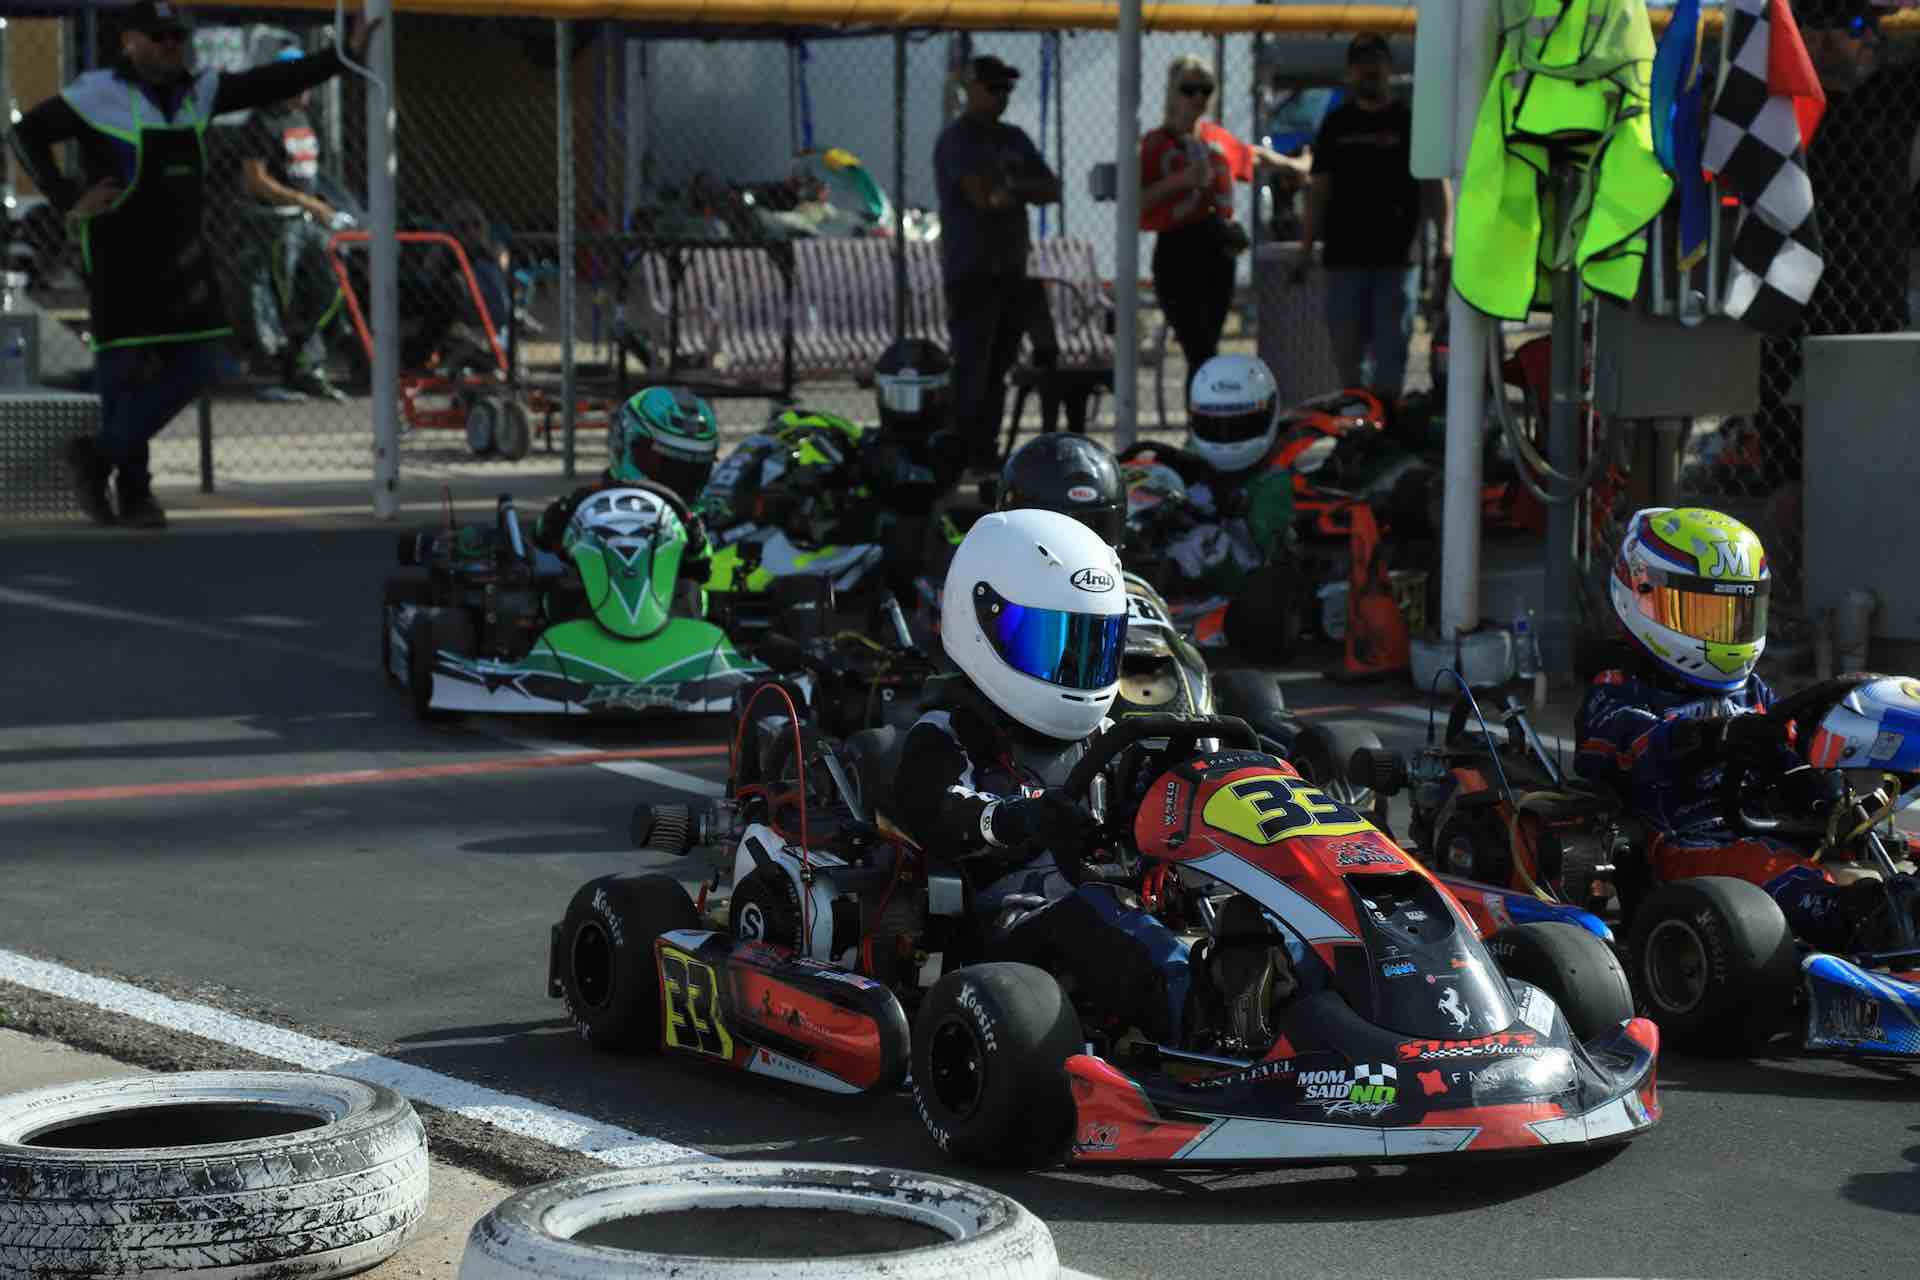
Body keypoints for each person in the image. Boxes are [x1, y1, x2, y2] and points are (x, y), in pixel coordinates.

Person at [7, 1, 379, 529]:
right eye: (158, 37)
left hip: (183, 258)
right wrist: (68, 198)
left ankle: (99, 453)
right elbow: (25, 135)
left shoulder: (199, 90)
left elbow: (268, 83)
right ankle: (135, 494)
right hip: (119, 258)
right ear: (129, 41)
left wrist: (341, 56)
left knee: (203, 363)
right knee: (124, 376)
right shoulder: (96, 93)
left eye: (177, 38)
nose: (170, 47)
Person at [1574, 507, 1887, 951]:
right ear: (1641, 594)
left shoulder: (1750, 689)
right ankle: (1849, 918)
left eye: (1734, 613)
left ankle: (1889, 906)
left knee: (1874, 839)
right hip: (1682, 843)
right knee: (1760, 864)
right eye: (1701, 613)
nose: (1720, 632)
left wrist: (1825, 790)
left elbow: (1790, 741)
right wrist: (1714, 738)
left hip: (1762, 824)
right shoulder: (1619, 692)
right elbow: (1633, 748)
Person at [1296, 33, 1451, 401]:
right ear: (1350, 72)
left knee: (1391, 353)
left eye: (1376, 62)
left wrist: (1446, 239)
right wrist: (1305, 248)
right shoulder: (1336, 124)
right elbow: (1319, 191)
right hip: (1343, 260)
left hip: (1397, 261)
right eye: (1361, 63)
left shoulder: (1409, 121)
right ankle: (1356, 420)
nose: (1369, 70)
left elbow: (1436, 186)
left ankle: (1388, 422)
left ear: (1389, 68)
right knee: (1347, 355)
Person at [1139, 55, 1307, 382]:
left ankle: (1203, 407)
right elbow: (1137, 202)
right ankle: (1202, 406)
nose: (1198, 97)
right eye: (1189, 89)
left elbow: (1251, 155)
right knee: (1197, 347)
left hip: (1218, 248)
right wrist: (1182, 180)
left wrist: (1294, 165)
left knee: (1208, 346)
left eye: (1206, 89)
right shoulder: (1156, 144)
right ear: (1172, 92)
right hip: (1178, 250)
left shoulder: (1214, 137)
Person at [932, 55, 1061, 472]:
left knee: (1000, 367)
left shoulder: (1014, 137)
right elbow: (983, 196)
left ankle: (985, 452)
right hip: (972, 271)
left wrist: (1011, 188)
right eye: (993, 88)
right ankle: (959, 453)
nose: (1001, 96)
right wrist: (1015, 189)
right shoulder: (958, 139)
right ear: (971, 89)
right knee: (972, 367)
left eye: (1007, 88)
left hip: (1011, 270)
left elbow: (1051, 188)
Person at [235, 45, 350, 403]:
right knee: (281, 297)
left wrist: (324, 205)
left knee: (330, 287)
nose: (306, 90)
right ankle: (277, 372)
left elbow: (310, 173)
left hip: (311, 221)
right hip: (276, 225)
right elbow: (256, 180)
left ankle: (307, 364)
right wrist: (304, 202)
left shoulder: (302, 119)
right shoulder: (260, 122)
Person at [534, 385, 718, 563]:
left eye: (692, 470)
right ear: (625, 445)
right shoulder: (584, 507)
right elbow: (541, 540)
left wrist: (697, 542)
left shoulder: (706, 523)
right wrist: (556, 519)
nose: (679, 479)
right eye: (667, 465)